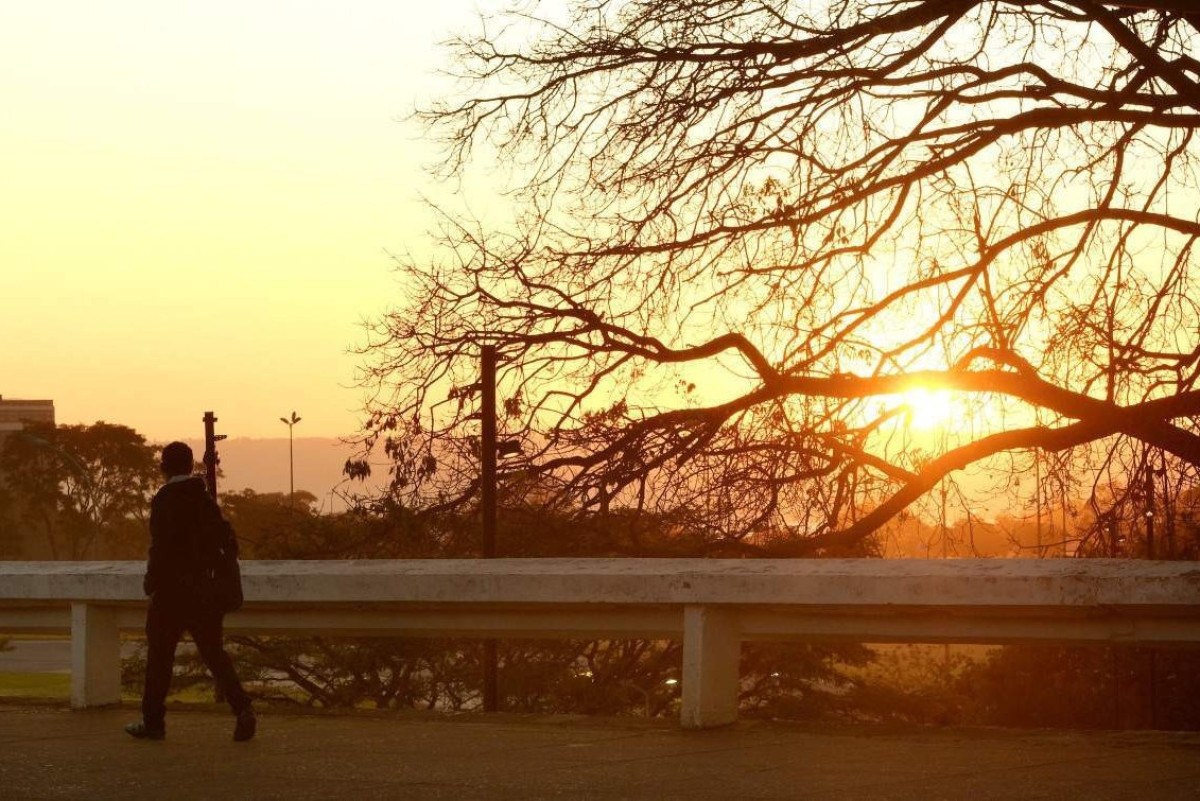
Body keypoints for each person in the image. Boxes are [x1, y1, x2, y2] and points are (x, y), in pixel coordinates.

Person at [125, 441, 256, 741]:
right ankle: (242, 708)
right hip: (204, 591)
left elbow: (160, 548)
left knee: (160, 658)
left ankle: (153, 721)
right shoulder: (205, 499)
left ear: (164, 467)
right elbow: (225, 542)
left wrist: (151, 582)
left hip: (171, 593)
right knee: (214, 655)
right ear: (190, 465)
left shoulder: (165, 499)